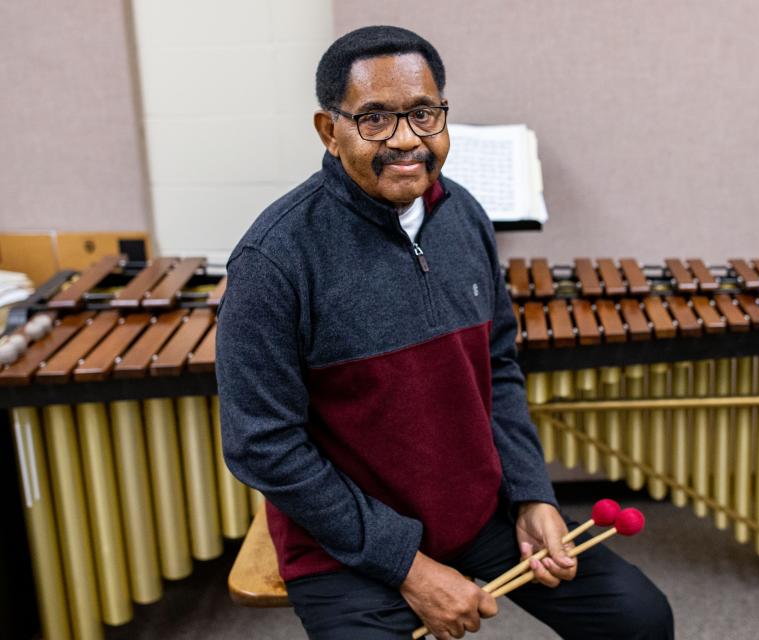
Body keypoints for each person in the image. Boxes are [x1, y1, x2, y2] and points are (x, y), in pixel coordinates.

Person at [216, 25, 673, 640]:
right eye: (374, 119)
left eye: (424, 113)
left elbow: (499, 369)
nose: (407, 140)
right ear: (330, 131)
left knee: (641, 621)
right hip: (346, 543)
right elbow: (261, 444)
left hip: (476, 512)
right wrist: (406, 564)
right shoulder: (275, 260)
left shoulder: (465, 217)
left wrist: (530, 494)